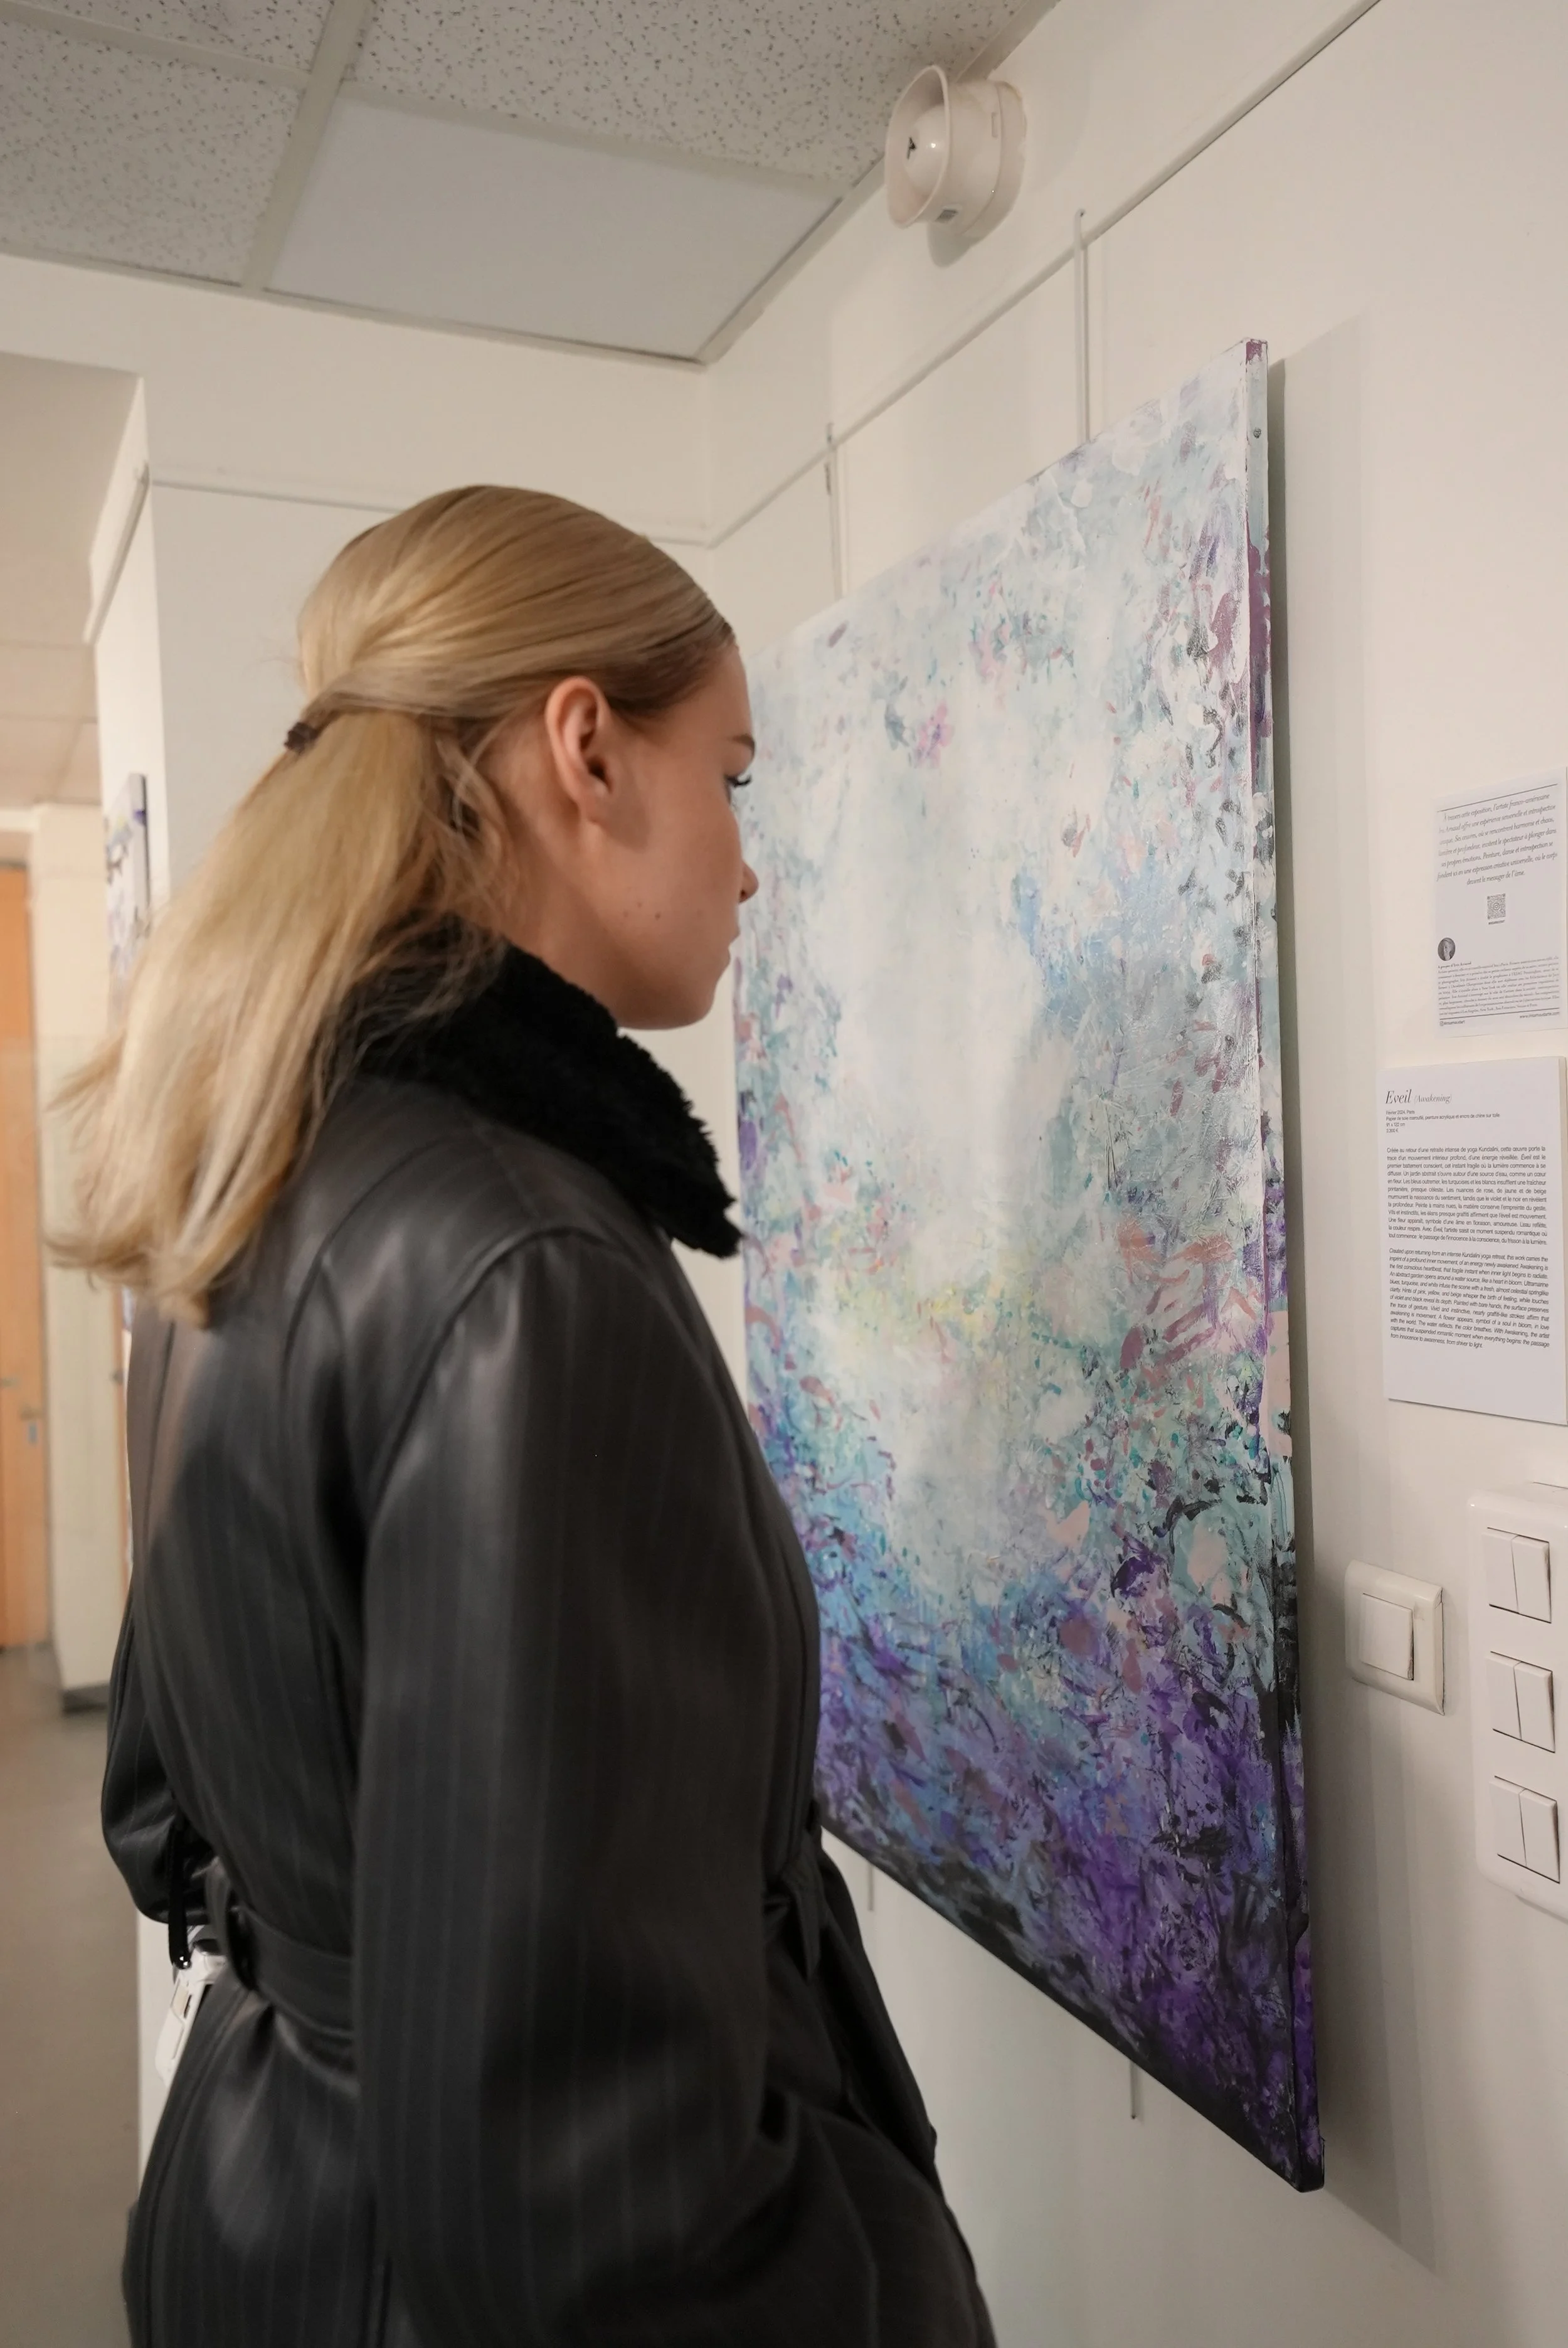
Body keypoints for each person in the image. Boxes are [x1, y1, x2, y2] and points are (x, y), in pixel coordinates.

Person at [63, 487, 995, 2347]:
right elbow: (599, 2219)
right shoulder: (529, 1272)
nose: (748, 865)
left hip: (266, 2197)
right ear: (586, 748)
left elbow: (166, 1811)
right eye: (730, 774)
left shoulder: (242, 1176)